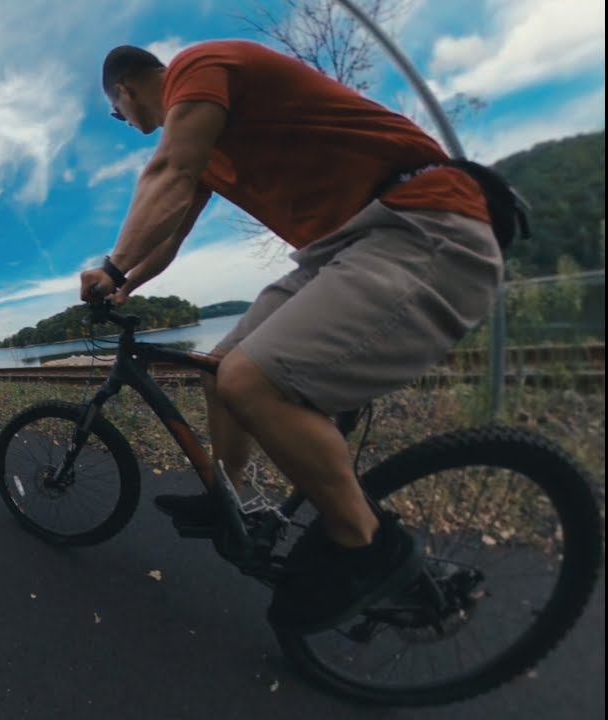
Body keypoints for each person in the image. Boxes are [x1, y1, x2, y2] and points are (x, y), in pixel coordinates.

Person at [79, 40, 503, 634]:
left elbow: (167, 172)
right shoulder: (204, 135)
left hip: (420, 220)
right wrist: (127, 284)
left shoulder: (200, 69)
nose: (122, 122)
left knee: (251, 381)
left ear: (123, 90)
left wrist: (114, 264)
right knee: (219, 367)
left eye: (115, 112)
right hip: (345, 248)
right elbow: (170, 229)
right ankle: (238, 503)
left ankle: (368, 551)